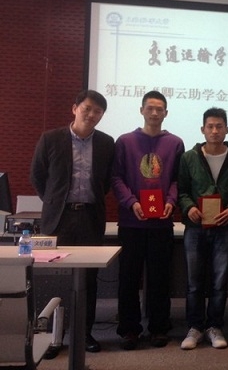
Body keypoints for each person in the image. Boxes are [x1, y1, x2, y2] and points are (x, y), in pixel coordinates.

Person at [29, 89, 115, 353]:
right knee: (55, 278)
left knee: (88, 278)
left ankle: (84, 334)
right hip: (59, 219)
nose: (91, 115)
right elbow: (37, 176)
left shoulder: (106, 143)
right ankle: (53, 336)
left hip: (90, 217)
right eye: (87, 108)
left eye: (98, 111)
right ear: (75, 108)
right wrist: (54, 201)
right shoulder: (51, 138)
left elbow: (107, 181)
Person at [111, 91, 185, 350]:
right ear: (141, 110)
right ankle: (129, 329)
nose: (155, 113)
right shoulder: (125, 141)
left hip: (161, 223)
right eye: (150, 108)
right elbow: (116, 178)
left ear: (166, 113)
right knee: (128, 278)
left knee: (160, 278)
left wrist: (171, 201)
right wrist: (131, 202)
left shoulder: (175, 143)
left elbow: (177, 179)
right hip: (131, 223)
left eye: (160, 109)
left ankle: (159, 328)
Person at [177, 107, 228, 350]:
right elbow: (182, 190)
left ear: (227, 129)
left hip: (224, 228)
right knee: (194, 282)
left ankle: (215, 326)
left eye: (219, 126)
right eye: (210, 126)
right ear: (203, 129)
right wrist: (188, 207)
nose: (215, 131)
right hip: (195, 227)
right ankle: (195, 328)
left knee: (220, 282)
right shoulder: (189, 157)